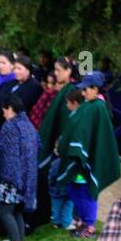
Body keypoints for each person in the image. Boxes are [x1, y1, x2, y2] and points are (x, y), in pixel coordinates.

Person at [53, 79, 121, 239]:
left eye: (86, 90)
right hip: (80, 161)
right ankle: (83, 221)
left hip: (87, 161)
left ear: (95, 89)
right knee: (74, 188)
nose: (83, 94)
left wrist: (79, 150)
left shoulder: (98, 107)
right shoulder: (90, 106)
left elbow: (91, 135)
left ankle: (89, 226)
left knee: (86, 191)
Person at [0, 90, 39, 241]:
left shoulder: (10, 127)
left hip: (11, 175)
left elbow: (1, 151)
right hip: (28, 176)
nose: (3, 113)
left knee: (5, 209)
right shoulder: (29, 126)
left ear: (10, 108)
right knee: (17, 209)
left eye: (4, 110)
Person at [39, 56, 78, 231]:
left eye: (59, 70)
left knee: (66, 187)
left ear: (68, 70)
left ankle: (66, 219)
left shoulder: (72, 91)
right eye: (55, 70)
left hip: (66, 150)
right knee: (57, 186)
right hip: (59, 149)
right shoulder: (62, 91)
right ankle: (58, 219)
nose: (56, 74)